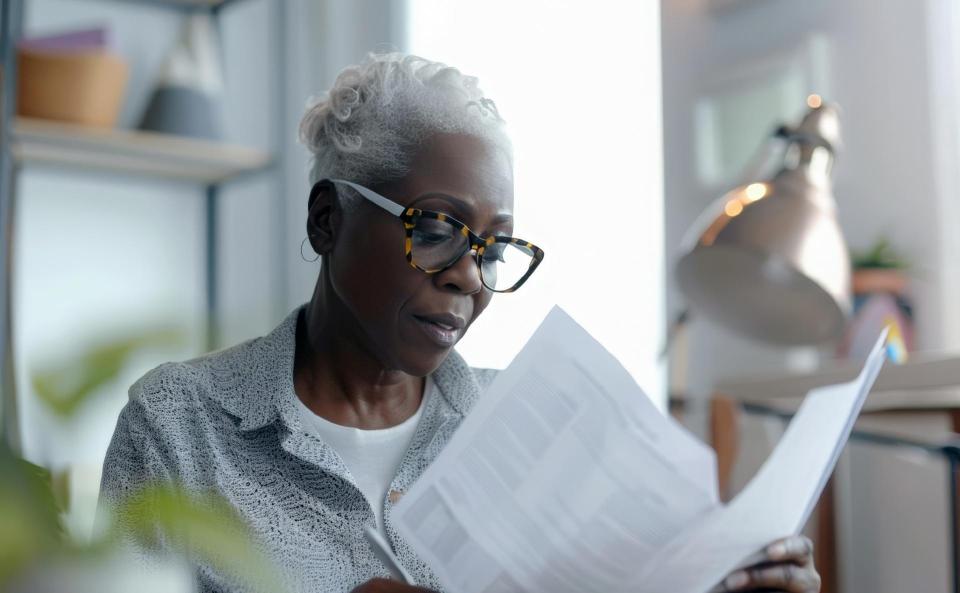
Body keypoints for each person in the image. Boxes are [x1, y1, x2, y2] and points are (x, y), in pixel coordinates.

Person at [99, 53, 821, 593]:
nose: (470, 276)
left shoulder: (538, 423)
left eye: (493, 246)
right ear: (328, 219)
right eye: (438, 226)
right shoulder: (179, 430)